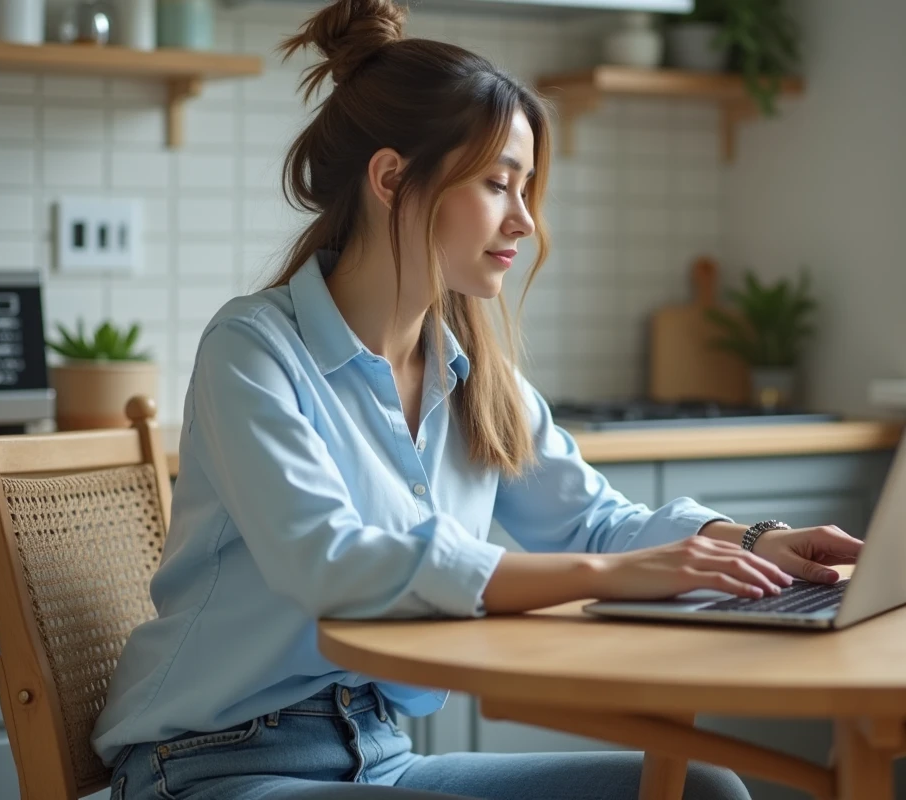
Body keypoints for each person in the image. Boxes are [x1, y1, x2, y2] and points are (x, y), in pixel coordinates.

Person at [92, 1, 863, 797]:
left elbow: (595, 519)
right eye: (498, 185)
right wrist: (611, 573)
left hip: (379, 753)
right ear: (391, 179)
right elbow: (331, 561)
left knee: (704, 790)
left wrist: (754, 542)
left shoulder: (473, 376)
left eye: (526, 190)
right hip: (213, 764)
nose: (525, 221)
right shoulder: (253, 349)